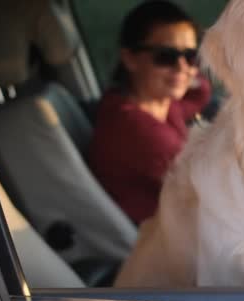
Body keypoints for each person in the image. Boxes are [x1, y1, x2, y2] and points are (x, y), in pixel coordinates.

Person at [88, 0, 211, 224]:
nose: (182, 67)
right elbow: (211, 188)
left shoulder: (159, 103)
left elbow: (200, 95)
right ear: (130, 58)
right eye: (166, 56)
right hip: (161, 242)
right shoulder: (132, 128)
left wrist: (185, 76)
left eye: (192, 56)